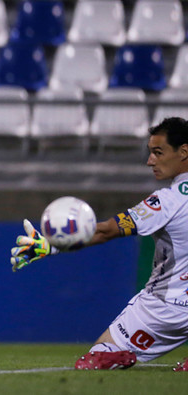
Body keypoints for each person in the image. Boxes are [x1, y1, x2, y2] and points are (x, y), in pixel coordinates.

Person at [10, 117, 188, 372]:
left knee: (95, 360)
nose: (150, 161)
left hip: (164, 308)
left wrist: (51, 245)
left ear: (184, 151)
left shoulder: (167, 201)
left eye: (158, 153)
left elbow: (106, 231)